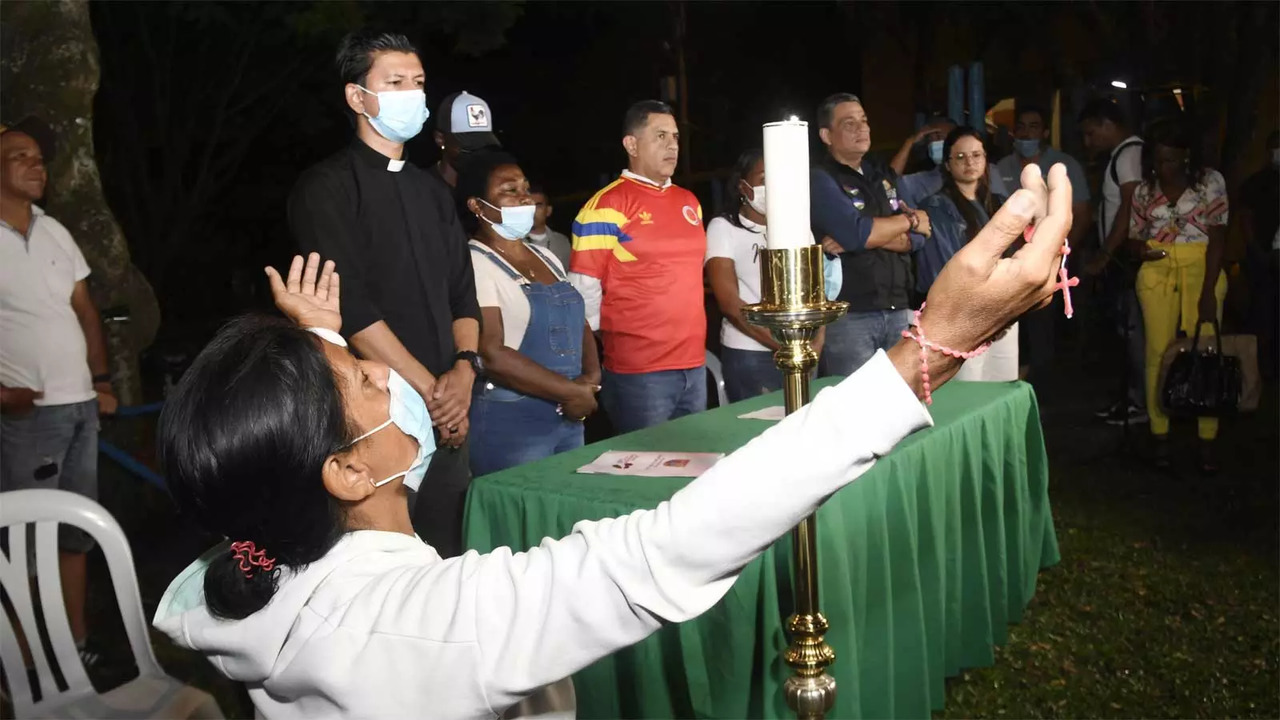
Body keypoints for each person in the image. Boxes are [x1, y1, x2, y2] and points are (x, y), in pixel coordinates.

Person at [151, 160, 1075, 719]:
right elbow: (662, 549)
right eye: (360, 375)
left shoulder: (241, 580)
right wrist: (936, 344)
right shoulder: (433, 625)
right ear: (349, 471)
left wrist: (307, 346)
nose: (389, 369)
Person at [286, 30, 480, 558]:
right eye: (394, 82)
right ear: (357, 97)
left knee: (445, 557)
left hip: (450, 414)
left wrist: (464, 370)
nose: (411, 94)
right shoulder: (325, 188)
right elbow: (351, 310)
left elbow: (464, 296)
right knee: (381, 563)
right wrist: (432, 393)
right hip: (377, 418)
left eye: (417, 83)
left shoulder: (434, 192)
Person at [0, 118, 118, 667]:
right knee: (24, 539)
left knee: (76, 533)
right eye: (20, 156)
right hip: (28, 415)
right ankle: (24, 664)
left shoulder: (53, 230)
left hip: (80, 409)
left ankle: (75, 646)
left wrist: (99, 382)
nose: (36, 164)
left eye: (39, 157)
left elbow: (86, 312)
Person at [457, 151, 601, 476]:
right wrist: (571, 392)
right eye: (509, 190)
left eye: (524, 188)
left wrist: (591, 378)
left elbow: (578, 321)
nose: (524, 198)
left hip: (569, 414)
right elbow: (491, 352)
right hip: (512, 423)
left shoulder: (546, 256)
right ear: (477, 206)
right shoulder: (474, 262)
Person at [568, 100, 707, 433]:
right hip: (640, 374)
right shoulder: (606, 205)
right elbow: (583, 289)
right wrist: (604, 350)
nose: (672, 145)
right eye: (660, 136)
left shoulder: (689, 202)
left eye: (674, 136)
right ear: (631, 144)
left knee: (695, 469)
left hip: (696, 364)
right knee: (645, 472)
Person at [1128, 121, 1230, 473]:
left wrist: (1208, 293)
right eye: (1158, 160)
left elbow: (1218, 238)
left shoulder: (1209, 182)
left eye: (1171, 159)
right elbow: (1134, 235)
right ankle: (1160, 433)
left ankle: (1207, 437)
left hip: (1203, 267)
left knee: (1206, 349)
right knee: (1157, 351)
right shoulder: (1144, 190)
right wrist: (1142, 250)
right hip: (1158, 270)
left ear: (1186, 157)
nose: (1164, 167)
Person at [810, 93, 932, 377]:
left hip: (900, 308)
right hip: (852, 316)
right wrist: (909, 220)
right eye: (849, 123)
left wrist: (872, 233)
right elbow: (859, 233)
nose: (862, 128)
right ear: (826, 135)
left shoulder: (882, 175)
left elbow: (921, 237)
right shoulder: (820, 178)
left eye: (863, 121)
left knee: (901, 403)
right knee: (857, 409)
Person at [995, 101, 1093, 382]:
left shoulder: (1064, 164)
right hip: (1012, 264)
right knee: (1019, 329)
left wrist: (1055, 253)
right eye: (1021, 128)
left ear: (1046, 131)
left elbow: (1083, 214)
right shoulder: (1002, 167)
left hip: (1057, 259)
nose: (1026, 134)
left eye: (1034, 127)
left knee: (1050, 325)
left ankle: (1049, 385)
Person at [918, 127, 1018, 381]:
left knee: (1002, 387)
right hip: (963, 317)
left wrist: (1005, 310)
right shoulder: (937, 206)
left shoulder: (998, 202)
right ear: (947, 165)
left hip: (1003, 313)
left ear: (986, 160)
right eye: (960, 157)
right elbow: (945, 268)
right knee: (968, 391)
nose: (970, 162)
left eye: (976, 155)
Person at [1080, 98, 1147, 426]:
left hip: (1124, 258)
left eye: (1092, 133)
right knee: (1126, 330)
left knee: (1134, 330)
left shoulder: (1128, 153)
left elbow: (1130, 205)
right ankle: (1131, 397)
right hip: (1120, 256)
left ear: (1108, 124)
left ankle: (1140, 402)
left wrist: (1106, 253)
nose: (1089, 141)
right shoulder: (1122, 155)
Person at [705, 149, 793, 401]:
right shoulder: (724, 228)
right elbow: (730, 302)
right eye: (764, 178)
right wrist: (783, 345)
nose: (773, 186)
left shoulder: (795, 226)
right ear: (744, 187)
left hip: (799, 350)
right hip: (751, 354)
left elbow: (813, 292)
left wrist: (812, 345)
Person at [891, 115, 1008, 209]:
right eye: (934, 136)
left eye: (945, 137)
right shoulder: (918, 181)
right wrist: (909, 142)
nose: (939, 141)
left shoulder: (986, 170)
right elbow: (888, 187)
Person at [1239, 131, 1279, 381]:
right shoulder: (1257, 182)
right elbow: (1245, 217)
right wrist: (1255, 248)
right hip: (1261, 257)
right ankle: (1255, 368)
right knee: (1261, 313)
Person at [428, 90, 501, 192]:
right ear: (440, 139)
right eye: (468, 147)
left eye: (484, 145)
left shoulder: (489, 189)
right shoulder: (420, 189)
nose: (477, 153)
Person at [528, 183, 572, 268]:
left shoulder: (561, 242)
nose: (532, 211)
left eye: (538, 206)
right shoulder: (513, 242)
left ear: (548, 211)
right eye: (528, 206)